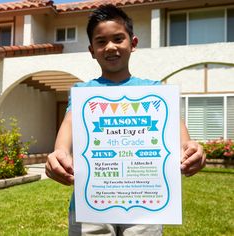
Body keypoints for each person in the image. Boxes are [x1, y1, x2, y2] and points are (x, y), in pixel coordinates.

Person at [45, 4, 206, 236]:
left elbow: (183, 141)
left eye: (118, 38)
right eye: (101, 41)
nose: (110, 46)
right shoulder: (82, 93)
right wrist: (59, 155)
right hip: (92, 203)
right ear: (92, 50)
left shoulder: (156, 91)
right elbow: (65, 136)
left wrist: (193, 150)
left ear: (133, 43)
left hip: (146, 206)